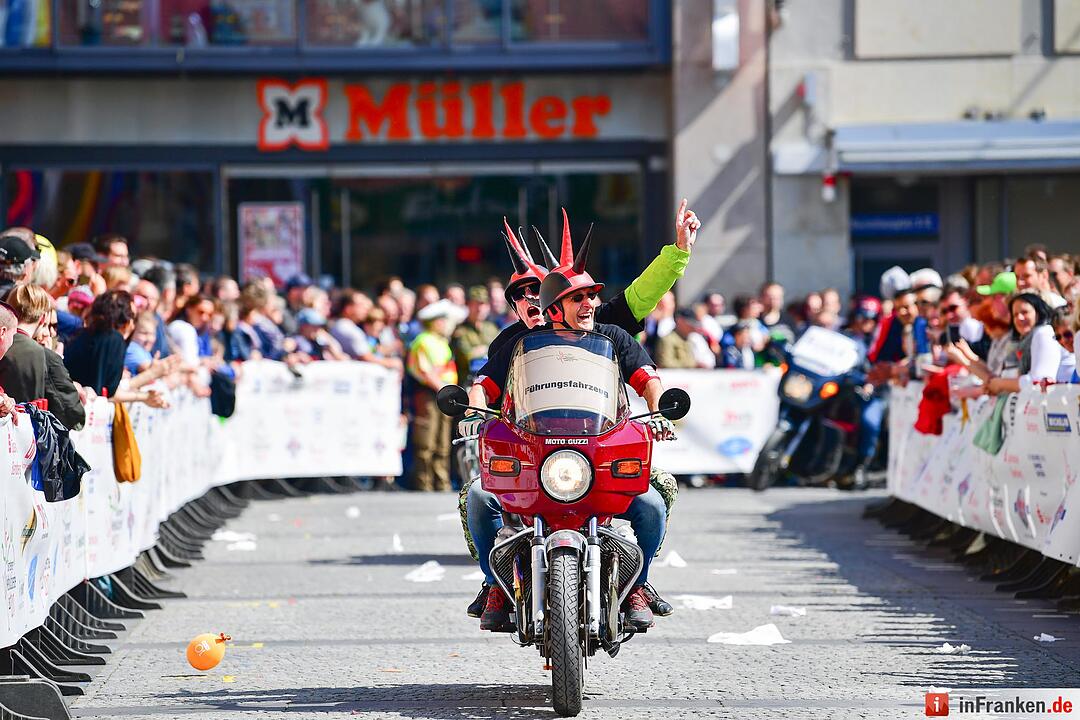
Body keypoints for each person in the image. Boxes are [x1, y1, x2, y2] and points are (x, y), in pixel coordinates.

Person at [458, 204, 698, 622]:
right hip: (533, 454)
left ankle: (636, 584)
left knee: (657, 498)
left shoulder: (611, 330)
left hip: (599, 451)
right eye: (524, 294)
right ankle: (495, 585)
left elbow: (647, 369)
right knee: (476, 497)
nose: (587, 302)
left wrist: (660, 413)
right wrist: (475, 413)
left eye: (589, 294)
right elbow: (484, 385)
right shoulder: (513, 340)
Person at [0, 285, 85, 430]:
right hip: (24, 442)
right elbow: (72, 414)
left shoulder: (8, 342)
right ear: (43, 317)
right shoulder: (45, 356)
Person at [65, 290, 167, 407]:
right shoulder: (114, 339)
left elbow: (108, 390)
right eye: (132, 317)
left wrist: (145, 397)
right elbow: (109, 393)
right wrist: (149, 382)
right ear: (125, 320)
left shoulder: (84, 334)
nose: (133, 325)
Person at [406, 299, 460, 492]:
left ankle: (441, 482)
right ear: (435, 321)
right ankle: (424, 483)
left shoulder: (441, 342)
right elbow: (424, 371)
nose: (446, 325)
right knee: (426, 440)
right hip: (430, 394)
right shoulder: (423, 341)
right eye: (443, 320)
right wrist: (443, 389)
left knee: (442, 442)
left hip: (444, 394)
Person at [986, 293, 1073, 393]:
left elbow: (1037, 379)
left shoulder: (1043, 333)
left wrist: (1000, 384)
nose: (1020, 318)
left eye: (1025, 312)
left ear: (1038, 312)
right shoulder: (1025, 340)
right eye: (1015, 315)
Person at [450, 286, 499, 382]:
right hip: (470, 382)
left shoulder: (492, 328)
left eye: (483, 304)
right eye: (475, 304)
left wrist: (481, 350)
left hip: (493, 381)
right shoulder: (460, 331)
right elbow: (467, 359)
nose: (479, 308)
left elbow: (501, 354)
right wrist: (488, 350)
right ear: (468, 305)